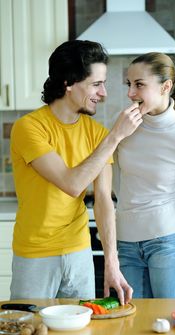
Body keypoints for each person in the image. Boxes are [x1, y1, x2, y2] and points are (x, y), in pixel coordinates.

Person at [10, 40, 143, 305]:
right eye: (96, 84)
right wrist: (115, 136)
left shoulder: (97, 134)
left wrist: (111, 262)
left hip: (79, 251)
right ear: (68, 83)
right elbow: (71, 183)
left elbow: (104, 199)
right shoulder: (29, 128)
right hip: (35, 253)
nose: (103, 93)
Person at [113, 52, 175, 298]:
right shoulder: (124, 125)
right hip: (125, 243)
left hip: (168, 243)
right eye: (129, 84)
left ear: (165, 86)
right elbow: (116, 183)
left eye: (139, 84)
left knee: (168, 325)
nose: (130, 93)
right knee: (132, 326)